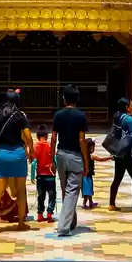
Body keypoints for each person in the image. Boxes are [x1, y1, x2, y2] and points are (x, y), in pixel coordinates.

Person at [0, 90, 34, 235]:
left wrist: (1, 142)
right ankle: (20, 222)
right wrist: (31, 151)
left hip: (2, 154)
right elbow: (28, 136)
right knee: (20, 190)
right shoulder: (20, 116)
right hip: (18, 154)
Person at [51, 83, 89, 236]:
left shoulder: (58, 115)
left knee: (65, 189)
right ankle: (63, 226)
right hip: (75, 156)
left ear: (64, 98)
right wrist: (86, 161)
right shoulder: (80, 116)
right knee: (72, 191)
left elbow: (53, 137)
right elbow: (82, 140)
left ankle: (71, 220)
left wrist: (51, 158)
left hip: (60, 154)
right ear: (77, 99)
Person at [30, 125, 56, 222]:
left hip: (40, 176)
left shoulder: (35, 146)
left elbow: (33, 163)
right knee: (52, 195)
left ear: (37, 136)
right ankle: (49, 213)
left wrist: (32, 175)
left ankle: (40, 214)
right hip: (50, 176)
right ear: (47, 135)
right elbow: (55, 160)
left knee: (41, 195)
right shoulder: (50, 146)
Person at [80, 138, 112, 209]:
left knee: (89, 190)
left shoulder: (82, 156)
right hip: (87, 176)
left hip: (85, 176)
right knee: (87, 191)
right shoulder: (91, 156)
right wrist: (110, 157)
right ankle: (84, 203)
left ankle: (91, 202)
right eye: (93, 147)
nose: (94, 149)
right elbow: (101, 159)